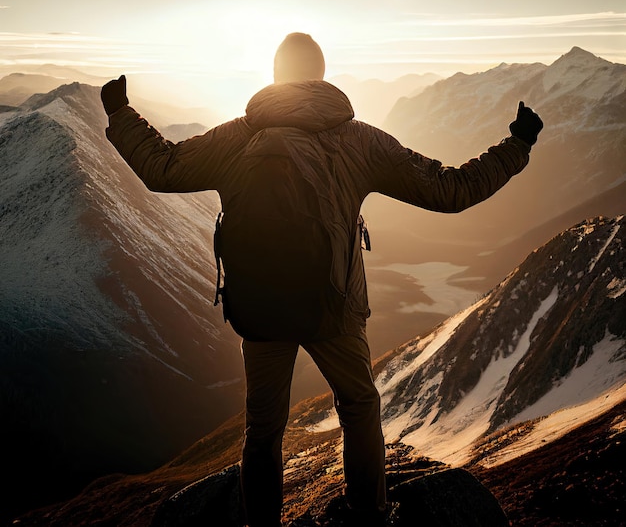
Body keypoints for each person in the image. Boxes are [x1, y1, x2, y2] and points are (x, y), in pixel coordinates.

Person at [101, 32, 542, 526]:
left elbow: (161, 167)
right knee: (358, 407)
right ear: (322, 74)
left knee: (264, 429)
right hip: (336, 309)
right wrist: (517, 144)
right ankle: (368, 517)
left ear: (274, 75)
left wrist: (121, 113)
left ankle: (262, 524)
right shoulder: (358, 141)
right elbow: (451, 190)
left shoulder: (236, 138)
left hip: (261, 307)